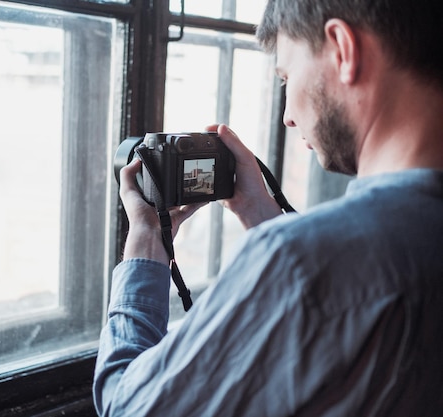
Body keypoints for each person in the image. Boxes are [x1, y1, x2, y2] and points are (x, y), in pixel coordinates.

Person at [93, 0, 443, 415]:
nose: (288, 118)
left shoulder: (294, 260)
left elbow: (124, 406)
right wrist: (261, 214)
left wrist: (147, 240)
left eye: (286, 77)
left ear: (343, 50)